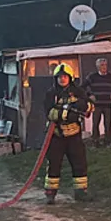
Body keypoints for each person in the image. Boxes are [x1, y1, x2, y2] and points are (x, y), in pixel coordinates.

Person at [43, 63, 94, 204]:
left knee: (79, 163)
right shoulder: (51, 93)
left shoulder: (78, 92)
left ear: (70, 78)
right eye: (59, 77)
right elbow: (49, 113)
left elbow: (90, 106)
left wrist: (82, 105)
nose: (62, 79)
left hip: (74, 135)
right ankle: (50, 194)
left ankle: (81, 192)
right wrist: (65, 114)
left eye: (65, 76)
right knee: (54, 164)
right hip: (56, 135)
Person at [83, 58, 111, 147]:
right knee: (95, 124)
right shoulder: (92, 77)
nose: (104, 67)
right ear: (97, 67)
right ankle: (95, 142)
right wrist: (90, 95)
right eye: (102, 65)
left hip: (108, 104)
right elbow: (83, 86)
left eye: (105, 65)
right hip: (97, 105)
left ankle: (107, 142)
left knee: (108, 124)